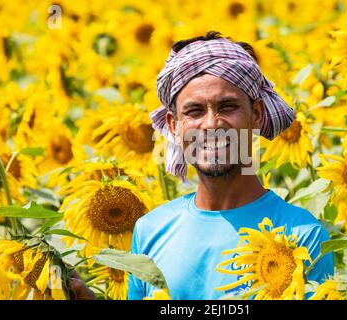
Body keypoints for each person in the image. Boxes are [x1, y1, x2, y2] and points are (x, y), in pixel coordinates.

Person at [69, 31, 333, 300]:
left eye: (227, 107)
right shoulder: (150, 230)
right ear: (174, 126)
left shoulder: (303, 237)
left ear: (256, 115)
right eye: (194, 112)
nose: (211, 124)